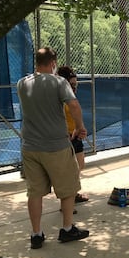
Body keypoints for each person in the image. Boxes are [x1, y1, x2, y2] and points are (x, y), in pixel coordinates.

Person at [17, 47, 89, 249]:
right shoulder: (59, 82)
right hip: (56, 145)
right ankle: (66, 229)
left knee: (35, 192)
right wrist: (80, 127)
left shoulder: (22, 83)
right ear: (53, 63)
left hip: (30, 146)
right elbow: (73, 105)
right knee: (68, 188)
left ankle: (36, 234)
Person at [57, 65, 89, 207]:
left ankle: (73, 194)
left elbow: (75, 114)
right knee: (67, 170)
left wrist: (80, 128)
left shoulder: (72, 98)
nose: (74, 88)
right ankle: (66, 203)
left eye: (76, 85)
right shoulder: (58, 99)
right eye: (71, 85)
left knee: (79, 165)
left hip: (75, 135)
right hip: (64, 137)